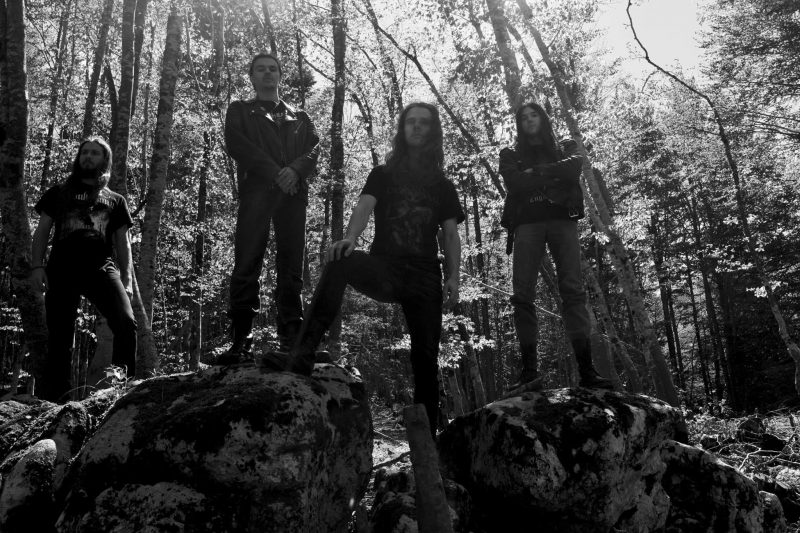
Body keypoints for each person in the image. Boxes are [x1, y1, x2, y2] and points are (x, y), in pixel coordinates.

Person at [264, 102, 464, 432]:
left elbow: (451, 234)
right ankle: (302, 354)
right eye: (411, 122)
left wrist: (454, 276)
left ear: (433, 131)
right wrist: (350, 239)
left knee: (426, 356)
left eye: (424, 123)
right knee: (340, 260)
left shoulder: (443, 185)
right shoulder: (382, 174)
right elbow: (363, 207)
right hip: (385, 270)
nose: (416, 127)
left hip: (425, 276)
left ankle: (428, 436)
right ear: (402, 129)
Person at [499, 102, 612, 391]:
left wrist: (536, 172)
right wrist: (551, 174)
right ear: (519, 124)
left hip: (563, 222)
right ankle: (529, 373)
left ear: (543, 118)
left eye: (534, 115)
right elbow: (514, 182)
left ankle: (587, 371)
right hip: (527, 225)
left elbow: (573, 168)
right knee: (522, 296)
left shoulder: (565, 147)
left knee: (573, 291)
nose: (529, 120)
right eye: (523, 117)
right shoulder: (510, 154)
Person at [221, 52, 320, 363]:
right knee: (247, 260)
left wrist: (295, 171)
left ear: (280, 75)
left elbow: (314, 149)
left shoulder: (300, 116)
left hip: (293, 195)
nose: (267, 73)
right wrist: (278, 173)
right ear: (252, 77)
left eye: (273, 69)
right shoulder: (240, 110)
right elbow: (237, 144)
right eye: (261, 69)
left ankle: (292, 337)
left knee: (292, 265)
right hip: (257, 192)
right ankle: (242, 339)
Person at [30, 137, 137, 402]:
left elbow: (123, 243)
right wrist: (37, 266)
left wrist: (127, 279)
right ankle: (57, 403)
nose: (88, 157)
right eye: (85, 152)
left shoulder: (115, 200)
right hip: (61, 270)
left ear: (105, 160)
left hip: (101, 268)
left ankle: (121, 392)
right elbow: (42, 232)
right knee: (60, 338)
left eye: (95, 153)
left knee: (125, 323)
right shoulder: (58, 193)